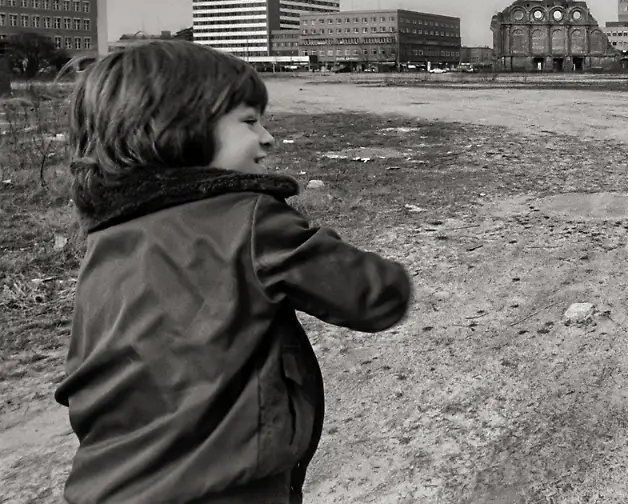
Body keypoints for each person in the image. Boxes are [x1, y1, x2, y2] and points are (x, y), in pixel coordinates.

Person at [54, 41, 413, 504]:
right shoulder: (246, 219)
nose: (267, 137)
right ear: (179, 130)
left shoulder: (106, 240)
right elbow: (373, 296)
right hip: (228, 486)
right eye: (248, 122)